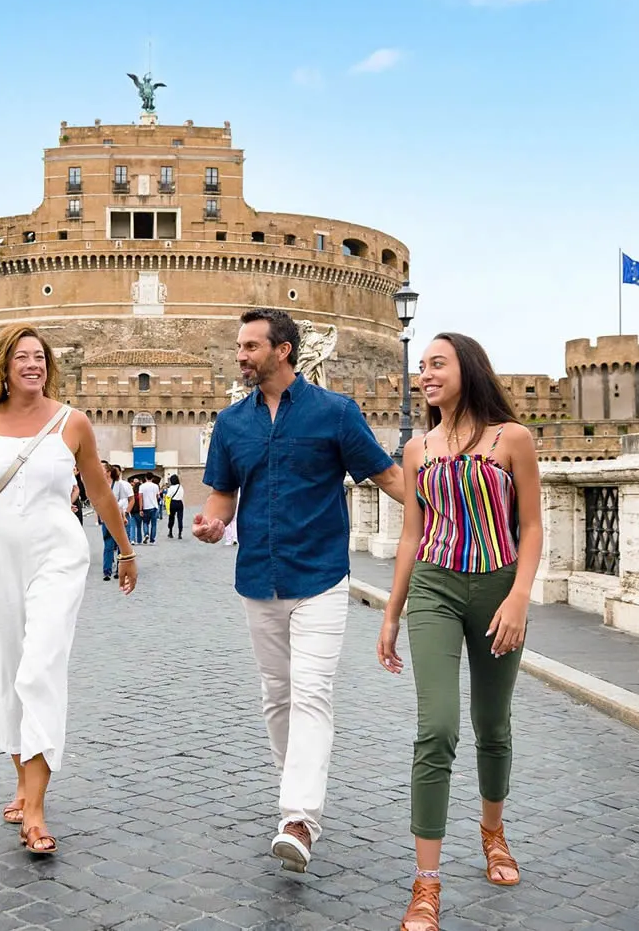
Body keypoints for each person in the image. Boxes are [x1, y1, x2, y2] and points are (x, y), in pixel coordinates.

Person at [193, 308, 409, 875]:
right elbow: (221, 501)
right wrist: (213, 526)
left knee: (311, 694)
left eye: (250, 346)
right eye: (239, 346)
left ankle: (297, 818)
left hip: (320, 576)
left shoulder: (335, 413)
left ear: (283, 350)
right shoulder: (231, 424)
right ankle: (300, 787)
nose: (240, 355)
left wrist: (445, 517)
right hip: (257, 578)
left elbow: (387, 477)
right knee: (276, 695)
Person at [0, 325, 137, 858]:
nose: (33, 364)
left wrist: (124, 549)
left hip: (59, 551)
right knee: (6, 672)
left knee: (39, 669)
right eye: (22, 357)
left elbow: (97, 486)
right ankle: (23, 783)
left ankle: (35, 809)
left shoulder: (72, 421)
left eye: (40, 357)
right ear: (3, 365)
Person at [378, 333, 543, 931]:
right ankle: (426, 883)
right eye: (420, 367)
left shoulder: (512, 440)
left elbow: (530, 527)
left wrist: (520, 598)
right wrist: (393, 612)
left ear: (467, 369)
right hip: (434, 588)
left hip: (500, 588)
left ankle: (492, 831)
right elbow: (410, 536)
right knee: (437, 727)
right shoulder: (418, 448)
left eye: (437, 364)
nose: (425, 374)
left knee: (492, 724)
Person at [105, 465, 132, 582]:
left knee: (121, 544)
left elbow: (126, 500)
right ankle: (107, 571)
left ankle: (119, 569)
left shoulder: (122, 485)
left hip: (120, 516)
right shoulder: (102, 484)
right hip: (107, 517)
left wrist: (122, 511)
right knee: (108, 545)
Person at [138, 473, 162, 544]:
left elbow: (140, 498)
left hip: (145, 507)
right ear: (152, 478)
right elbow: (158, 496)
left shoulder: (142, 486)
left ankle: (146, 534)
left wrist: (140, 509)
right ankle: (152, 539)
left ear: (145, 478)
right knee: (154, 524)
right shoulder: (156, 486)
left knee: (145, 522)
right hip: (154, 507)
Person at [164, 474, 185, 540]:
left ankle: (170, 532)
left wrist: (166, 506)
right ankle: (180, 533)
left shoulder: (171, 488)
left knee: (171, 518)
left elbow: (168, 496)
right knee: (180, 519)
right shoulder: (180, 487)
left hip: (173, 503)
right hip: (180, 503)